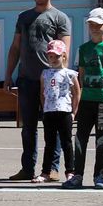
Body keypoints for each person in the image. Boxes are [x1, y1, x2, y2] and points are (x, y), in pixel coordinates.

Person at [4, 0, 71, 181]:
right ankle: (27, 168)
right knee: (28, 127)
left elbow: (65, 51)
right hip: (27, 80)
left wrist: (62, 80)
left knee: (54, 128)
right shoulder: (24, 17)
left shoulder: (60, 18)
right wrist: (8, 75)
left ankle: (52, 168)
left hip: (51, 82)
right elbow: (15, 48)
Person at [64, 9, 103, 189]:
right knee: (80, 138)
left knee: (102, 139)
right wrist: (79, 99)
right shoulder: (83, 49)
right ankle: (77, 175)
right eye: (91, 24)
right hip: (87, 101)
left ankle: (99, 175)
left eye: (98, 24)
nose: (94, 28)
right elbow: (80, 78)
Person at [36, 40, 79, 183]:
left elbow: (77, 93)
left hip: (64, 112)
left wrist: (73, 112)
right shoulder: (45, 73)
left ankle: (70, 171)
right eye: (51, 57)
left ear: (64, 57)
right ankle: (45, 172)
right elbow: (42, 92)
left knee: (66, 143)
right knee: (50, 143)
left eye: (57, 56)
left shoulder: (70, 74)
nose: (53, 60)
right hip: (49, 112)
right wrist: (45, 109)